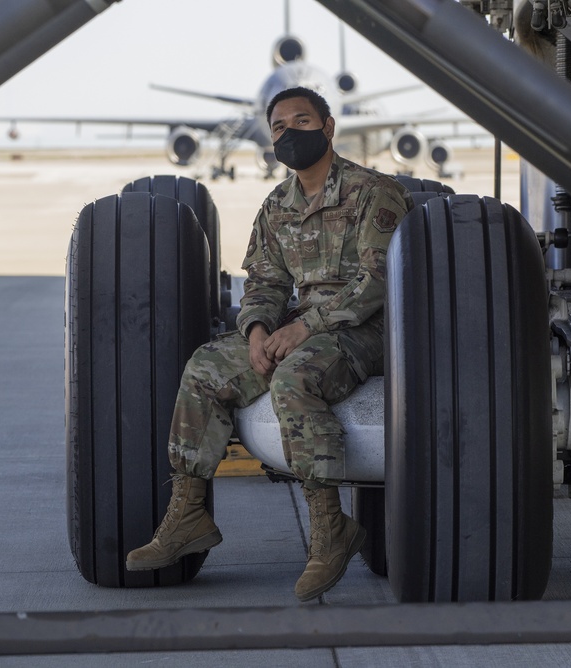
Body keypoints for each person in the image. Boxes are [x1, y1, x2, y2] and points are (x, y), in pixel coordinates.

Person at [125, 86, 413, 601]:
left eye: (301, 122)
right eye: (279, 127)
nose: (289, 134)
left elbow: (378, 282)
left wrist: (306, 327)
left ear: (327, 128)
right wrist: (257, 329)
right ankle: (189, 514)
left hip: (365, 327)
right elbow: (263, 281)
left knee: (294, 377)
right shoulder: (277, 204)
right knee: (206, 368)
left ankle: (331, 531)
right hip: (299, 325)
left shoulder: (374, 191)